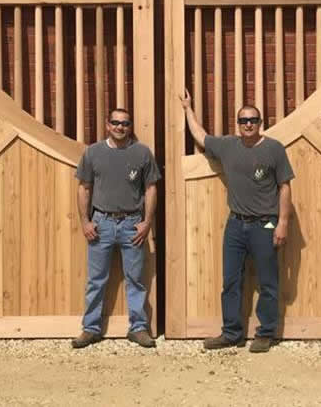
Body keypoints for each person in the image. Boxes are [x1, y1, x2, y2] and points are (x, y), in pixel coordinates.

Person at [180, 90, 294, 353]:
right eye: (243, 120)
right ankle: (231, 333)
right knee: (230, 280)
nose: (248, 124)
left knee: (268, 280)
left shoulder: (274, 149)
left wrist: (283, 223)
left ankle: (265, 333)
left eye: (253, 120)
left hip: (265, 223)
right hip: (235, 224)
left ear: (260, 122)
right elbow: (200, 135)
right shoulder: (228, 146)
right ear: (238, 124)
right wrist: (188, 108)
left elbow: (285, 187)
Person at [71, 108, 160, 349]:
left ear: (130, 127)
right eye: (115, 123)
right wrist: (85, 222)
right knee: (96, 280)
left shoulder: (142, 153)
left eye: (125, 123)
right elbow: (84, 188)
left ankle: (139, 328)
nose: (120, 127)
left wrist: (146, 222)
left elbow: (151, 188)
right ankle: (90, 329)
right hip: (101, 223)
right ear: (107, 125)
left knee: (136, 280)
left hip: (132, 224)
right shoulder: (93, 153)